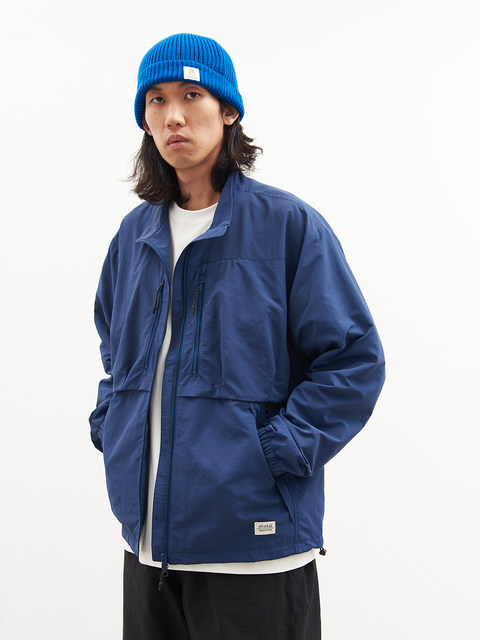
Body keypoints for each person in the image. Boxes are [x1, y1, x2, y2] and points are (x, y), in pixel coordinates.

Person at [89, 33, 385, 640]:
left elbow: (354, 360)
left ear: (228, 110)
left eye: (191, 95)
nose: (173, 116)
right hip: (148, 548)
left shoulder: (287, 226)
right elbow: (116, 353)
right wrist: (112, 423)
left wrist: (281, 449)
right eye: (156, 100)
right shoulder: (133, 237)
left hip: (252, 551)